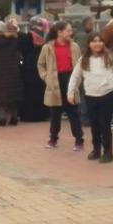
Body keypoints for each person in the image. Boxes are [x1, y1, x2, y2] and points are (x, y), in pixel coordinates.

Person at [68, 33, 113, 163]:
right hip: (90, 96)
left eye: (100, 41)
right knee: (94, 125)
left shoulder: (111, 58)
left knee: (104, 124)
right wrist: (71, 92)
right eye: (94, 41)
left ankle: (108, 152)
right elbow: (75, 77)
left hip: (108, 95)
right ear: (89, 44)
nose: (97, 44)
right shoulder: (83, 60)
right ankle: (96, 149)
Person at [38, 21, 85, 149]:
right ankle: (53, 139)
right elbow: (41, 64)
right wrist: (45, 77)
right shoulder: (47, 47)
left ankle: (79, 139)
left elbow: (80, 64)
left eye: (71, 30)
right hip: (54, 80)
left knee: (73, 112)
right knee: (55, 113)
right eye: (68, 30)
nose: (71, 33)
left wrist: (78, 80)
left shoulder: (75, 46)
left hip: (70, 79)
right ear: (59, 32)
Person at [0, 21, 24, 126]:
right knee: (12, 94)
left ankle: (1, 118)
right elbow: (19, 52)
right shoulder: (13, 39)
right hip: (12, 70)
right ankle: (14, 117)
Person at [18, 17, 49, 122]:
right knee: (39, 91)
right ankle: (40, 114)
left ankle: (27, 114)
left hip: (27, 67)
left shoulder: (24, 37)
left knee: (28, 92)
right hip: (40, 67)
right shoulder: (44, 39)